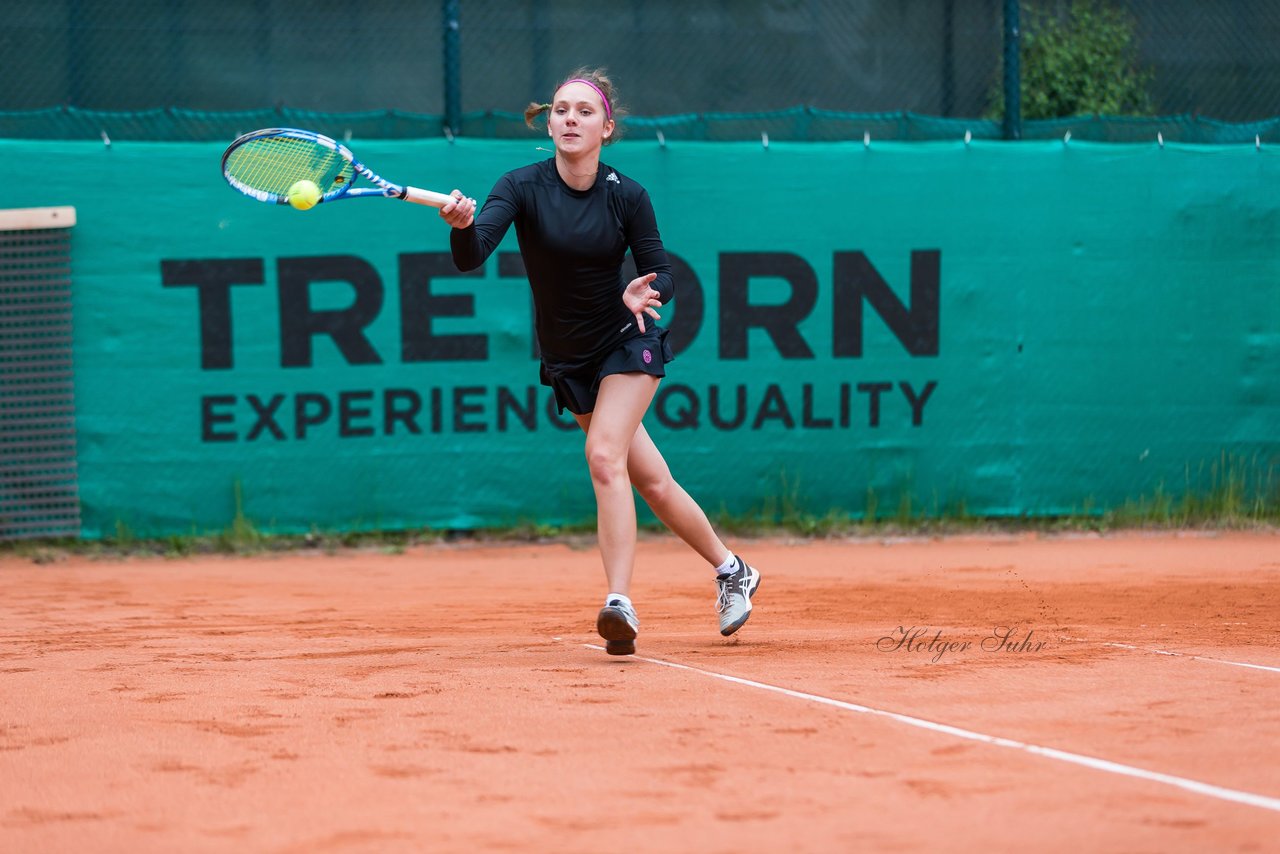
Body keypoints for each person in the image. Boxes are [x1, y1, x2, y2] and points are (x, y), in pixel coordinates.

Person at [439, 68, 760, 656]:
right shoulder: (519, 186)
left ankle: (619, 602)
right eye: (560, 109)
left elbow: (660, 267)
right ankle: (731, 568)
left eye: (584, 111)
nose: (569, 119)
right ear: (549, 121)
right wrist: (462, 227)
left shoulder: (627, 194)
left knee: (604, 457)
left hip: (625, 341)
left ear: (606, 127)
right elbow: (473, 253)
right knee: (654, 483)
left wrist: (644, 290)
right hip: (568, 359)